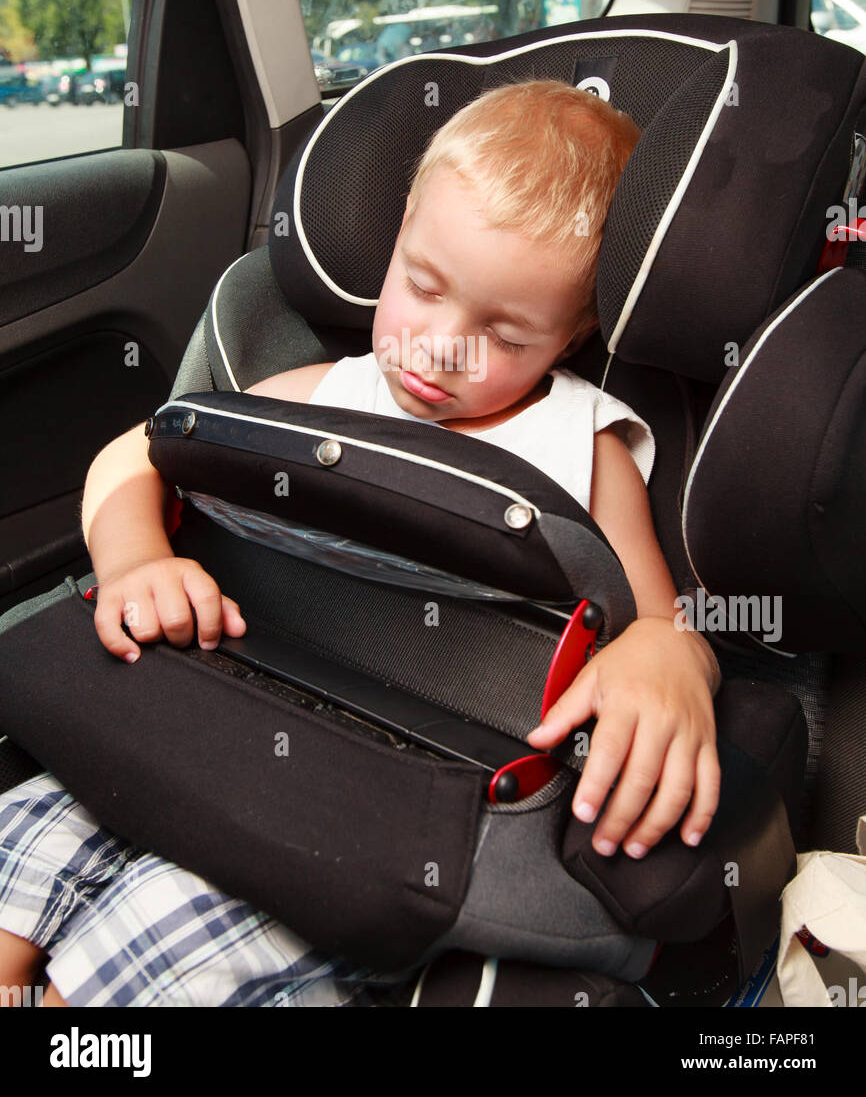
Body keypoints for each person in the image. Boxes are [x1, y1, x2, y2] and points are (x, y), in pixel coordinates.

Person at [0, 79, 721, 1008]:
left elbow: (652, 620)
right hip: (218, 694)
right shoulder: (328, 390)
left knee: (162, 945)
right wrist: (139, 559)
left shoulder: (583, 446)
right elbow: (137, 455)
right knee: (34, 833)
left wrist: (669, 659)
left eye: (504, 333)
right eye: (422, 287)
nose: (439, 350)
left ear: (574, 332)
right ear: (402, 232)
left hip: (378, 783)